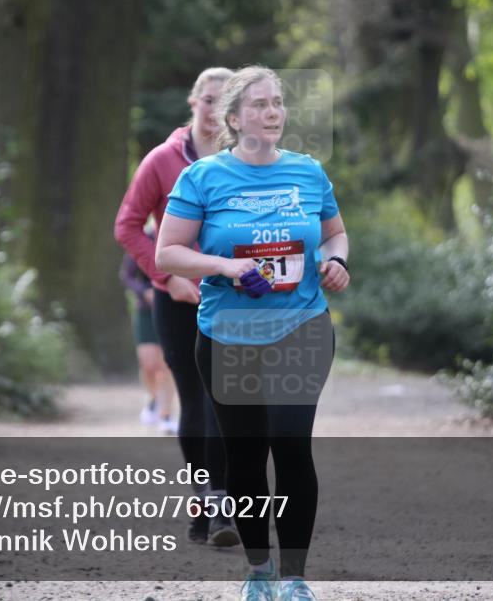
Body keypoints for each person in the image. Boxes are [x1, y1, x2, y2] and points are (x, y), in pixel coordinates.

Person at [155, 66, 350, 601]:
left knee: (291, 446)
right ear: (234, 118)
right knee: (244, 457)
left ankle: (293, 578)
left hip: (301, 327)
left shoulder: (308, 172)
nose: (273, 112)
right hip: (228, 333)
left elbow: (334, 234)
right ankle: (258, 570)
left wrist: (335, 262)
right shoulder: (202, 178)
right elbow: (167, 252)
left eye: (278, 103)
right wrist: (223, 266)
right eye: (260, 104)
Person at [114, 67, 240, 546]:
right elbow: (127, 225)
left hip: (233, 297)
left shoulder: (245, 162)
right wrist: (167, 276)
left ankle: (219, 504)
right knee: (199, 397)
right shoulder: (163, 160)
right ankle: (212, 501)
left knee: (227, 399)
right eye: (208, 100)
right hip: (178, 300)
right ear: (194, 102)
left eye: (224, 102)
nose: (214, 111)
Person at [118, 242, 176, 434]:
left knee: (167, 364)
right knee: (149, 365)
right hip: (145, 312)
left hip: (172, 307)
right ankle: (153, 398)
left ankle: (166, 415)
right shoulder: (143, 240)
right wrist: (144, 292)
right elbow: (126, 275)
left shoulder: (182, 238)